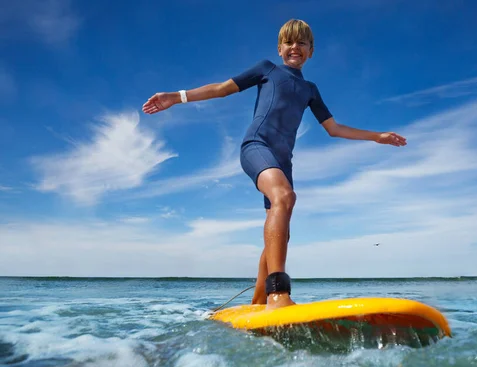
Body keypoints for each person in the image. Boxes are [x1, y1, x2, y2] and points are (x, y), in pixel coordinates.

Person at [142, 19, 407, 310]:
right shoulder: (266, 69)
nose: (296, 47)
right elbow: (220, 89)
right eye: (289, 42)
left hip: (283, 162)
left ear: (311, 51)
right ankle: (277, 294)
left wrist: (377, 137)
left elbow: (334, 128)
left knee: (282, 231)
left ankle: (257, 304)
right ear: (280, 49)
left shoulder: (310, 89)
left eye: (302, 43)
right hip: (257, 147)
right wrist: (176, 97)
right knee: (284, 196)